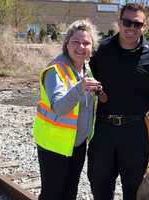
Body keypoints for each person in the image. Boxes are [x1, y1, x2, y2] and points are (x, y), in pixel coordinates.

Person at [87, 3, 149, 200]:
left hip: (135, 133)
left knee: (134, 191)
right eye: (127, 22)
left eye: (137, 24)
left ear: (144, 26)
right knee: (100, 187)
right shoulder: (100, 51)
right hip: (102, 130)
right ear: (119, 22)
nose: (131, 28)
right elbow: (85, 81)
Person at [32, 19, 105, 200]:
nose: (81, 47)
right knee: (52, 194)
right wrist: (80, 88)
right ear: (67, 44)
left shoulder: (85, 69)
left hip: (76, 144)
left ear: (92, 47)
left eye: (86, 43)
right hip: (54, 145)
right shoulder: (55, 71)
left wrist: (98, 93)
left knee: (70, 193)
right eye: (76, 42)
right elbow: (59, 108)